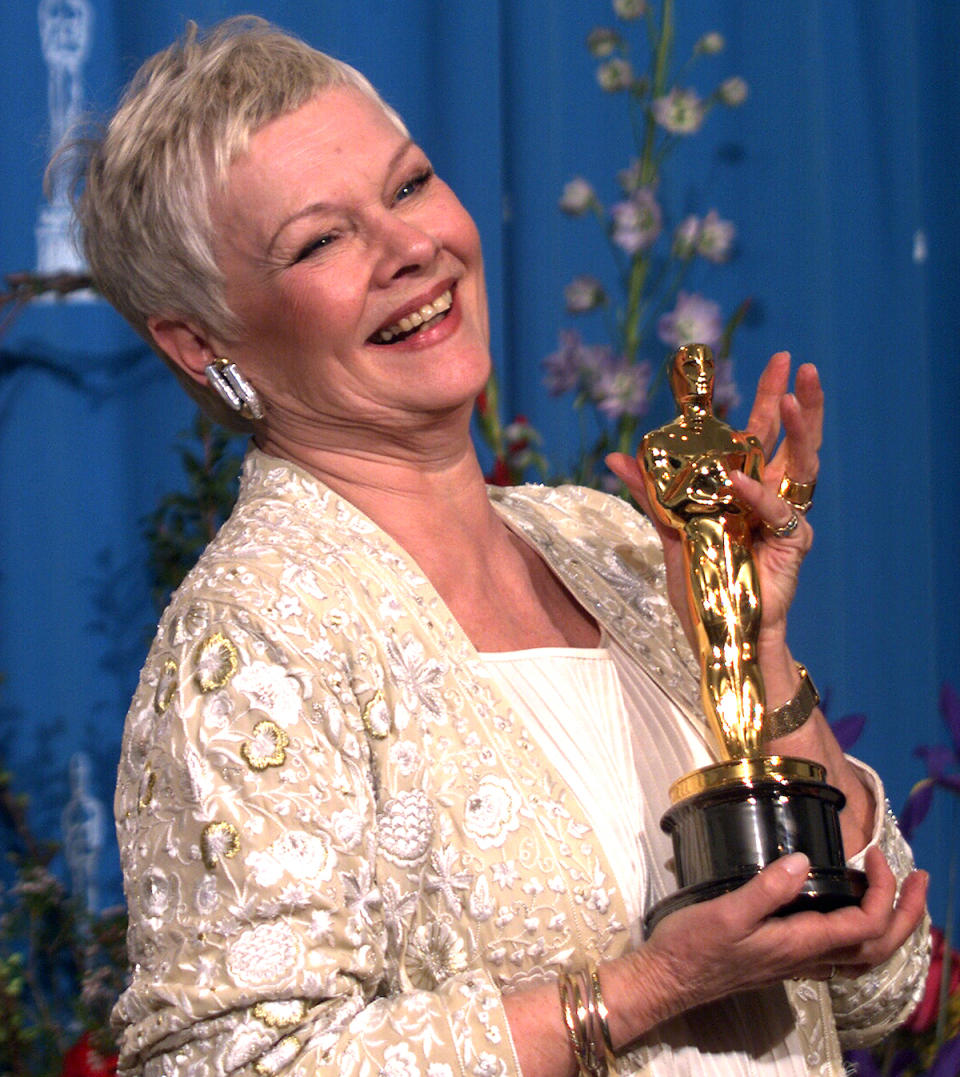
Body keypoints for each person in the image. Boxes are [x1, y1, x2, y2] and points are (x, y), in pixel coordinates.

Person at [75, 17, 930, 1077]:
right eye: (320, 240)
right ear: (200, 343)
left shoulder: (608, 540)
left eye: (408, 185)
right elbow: (225, 1066)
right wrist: (646, 988)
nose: (410, 247)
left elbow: (882, 986)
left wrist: (751, 645)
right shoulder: (252, 640)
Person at [640, 344, 767, 757]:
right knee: (718, 647)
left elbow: (755, 502)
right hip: (703, 543)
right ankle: (733, 752)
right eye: (688, 364)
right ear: (674, 377)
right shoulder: (660, 442)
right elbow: (670, 504)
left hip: (738, 544)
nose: (699, 372)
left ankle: (755, 750)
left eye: (706, 363)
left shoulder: (740, 440)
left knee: (746, 647)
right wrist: (706, 475)